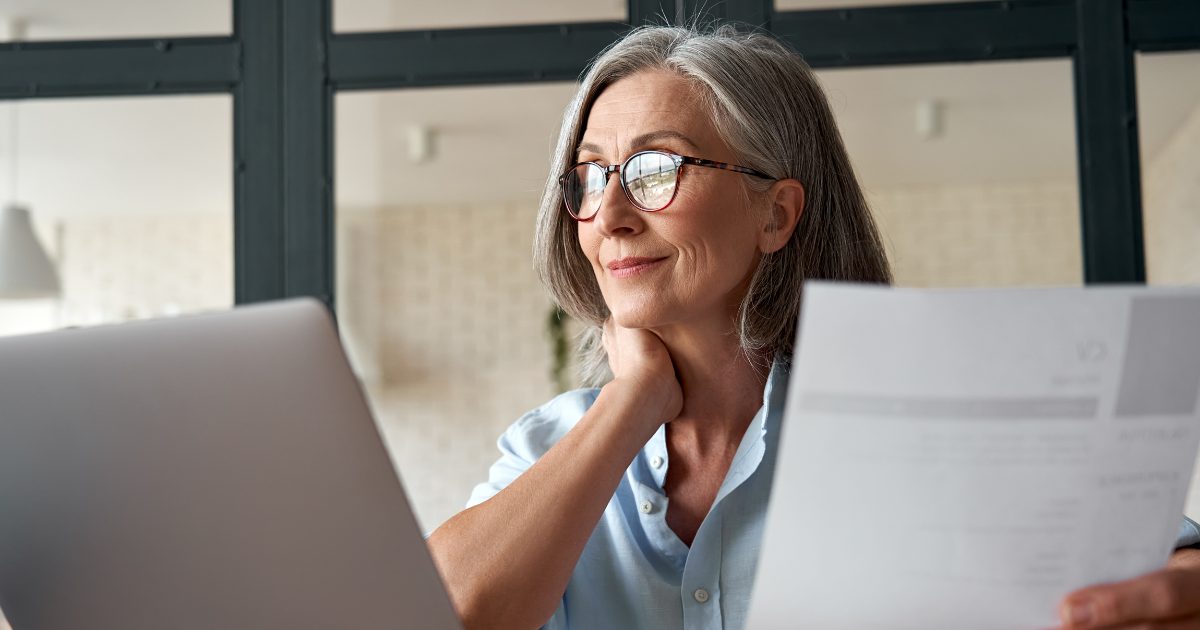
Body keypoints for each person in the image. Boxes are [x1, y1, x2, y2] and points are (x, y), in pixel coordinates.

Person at [426, 24, 1200, 630]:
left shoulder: (913, 422)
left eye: (656, 169)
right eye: (589, 177)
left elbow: (1159, 560)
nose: (611, 215)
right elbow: (445, 614)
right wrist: (633, 400)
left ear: (776, 212)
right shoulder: (544, 448)